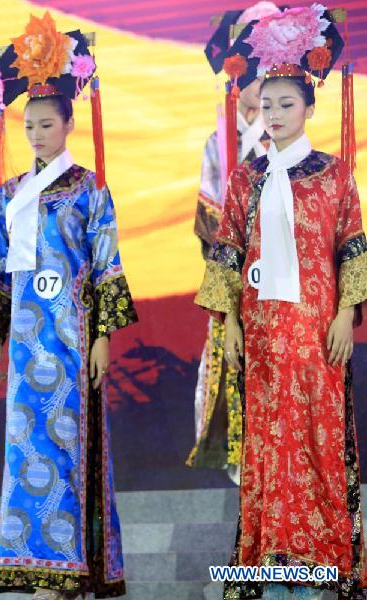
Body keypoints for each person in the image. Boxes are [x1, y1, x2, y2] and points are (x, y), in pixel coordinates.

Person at [195, 6, 366, 598]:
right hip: (264, 331)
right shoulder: (247, 176)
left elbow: (351, 246)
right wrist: (230, 327)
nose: (273, 114)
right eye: (266, 105)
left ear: (310, 107)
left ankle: (323, 561)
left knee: (320, 440)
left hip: (319, 329)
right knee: (268, 444)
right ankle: (272, 558)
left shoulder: (335, 174)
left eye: (286, 104)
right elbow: (226, 253)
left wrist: (346, 312)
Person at [0, 13, 137, 599]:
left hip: (70, 343)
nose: (37, 134)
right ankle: (40, 565)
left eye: (47, 124)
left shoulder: (91, 189)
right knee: (26, 454)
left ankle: (73, 570)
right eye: (29, 126)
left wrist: (101, 337)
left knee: (70, 452)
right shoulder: (10, 195)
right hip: (25, 349)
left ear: (69, 123)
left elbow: (106, 266)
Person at [189, 1, 280, 485]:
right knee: (236, 358)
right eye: (252, 68)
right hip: (237, 273)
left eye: (269, 70)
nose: (261, 82)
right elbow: (209, 223)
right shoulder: (219, 141)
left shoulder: (288, 136)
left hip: (286, 273)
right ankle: (240, 455)